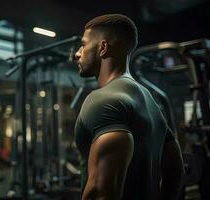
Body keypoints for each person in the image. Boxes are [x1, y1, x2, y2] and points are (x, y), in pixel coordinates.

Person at [73, 14, 185, 200]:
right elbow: (176, 172)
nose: (77, 53)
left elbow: (100, 192)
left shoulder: (103, 100)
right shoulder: (149, 100)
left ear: (102, 48)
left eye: (83, 45)